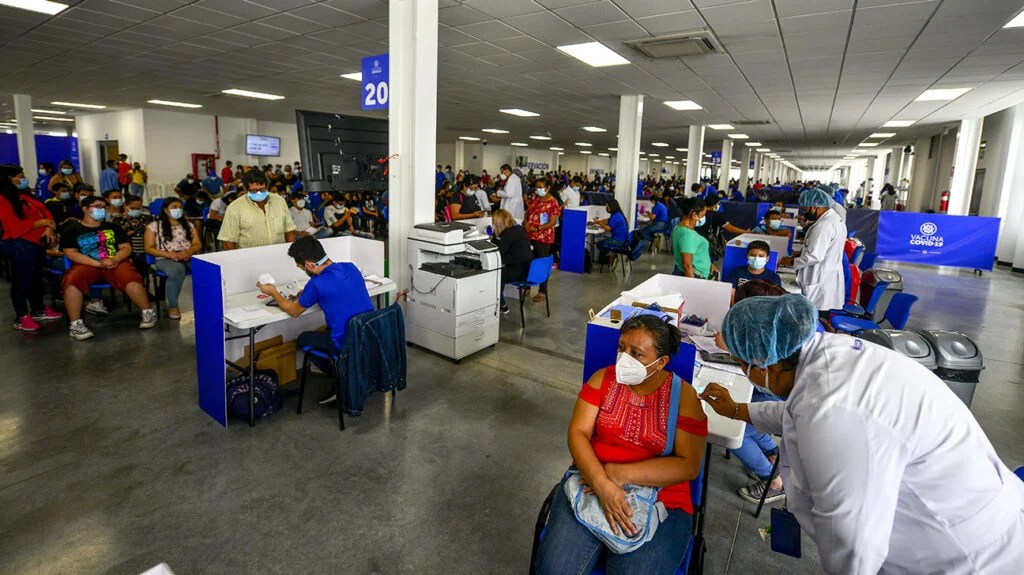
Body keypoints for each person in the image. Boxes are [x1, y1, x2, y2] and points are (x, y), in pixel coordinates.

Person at [700, 294, 1024, 573]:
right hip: (959, 515)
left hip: (962, 556)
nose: (745, 373)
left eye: (741, 364)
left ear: (762, 366)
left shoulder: (835, 407)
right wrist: (738, 410)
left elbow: (854, 543)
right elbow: (798, 411)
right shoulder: (828, 354)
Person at [535, 315, 707, 574]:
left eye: (637, 354)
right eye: (621, 348)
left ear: (661, 363)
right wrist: (603, 484)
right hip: (591, 480)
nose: (624, 359)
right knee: (554, 570)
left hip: (661, 497)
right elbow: (578, 433)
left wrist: (620, 474)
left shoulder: (683, 397)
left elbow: (689, 465)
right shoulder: (602, 379)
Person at [257, 235, 374, 404]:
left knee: (303, 339)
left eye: (301, 267)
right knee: (326, 329)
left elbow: (294, 311)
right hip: (368, 336)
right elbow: (338, 288)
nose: (301, 269)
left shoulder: (317, 284)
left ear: (310, 265)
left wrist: (274, 293)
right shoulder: (351, 267)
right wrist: (308, 293)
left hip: (345, 343)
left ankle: (340, 372)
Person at [60, 196, 156, 340]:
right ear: (85, 209)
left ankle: (147, 312)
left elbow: (126, 247)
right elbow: (70, 253)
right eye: (97, 206)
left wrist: (115, 258)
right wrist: (96, 263)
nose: (102, 209)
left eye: (104, 207)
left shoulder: (113, 227)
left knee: (130, 277)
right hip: (86, 264)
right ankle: (76, 325)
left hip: (114, 262)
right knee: (72, 282)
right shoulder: (71, 229)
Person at [0, 164, 63, 331]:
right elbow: (14, 226)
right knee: (23, 280)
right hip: (19, 243)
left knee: (36, 278)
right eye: (20, 176)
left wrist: (49, 227)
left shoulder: (24, 195)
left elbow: (46, 212)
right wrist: (42, 223)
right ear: (9, 179)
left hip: (37, 242)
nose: (23, 178)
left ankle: (38, 309)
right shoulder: (3, 198)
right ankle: (21, 316)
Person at [779, 188, 845, 313]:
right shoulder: (835, 219)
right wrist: (802, 252)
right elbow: (825, 249)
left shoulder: (824, 225)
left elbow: (815, 256)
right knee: (820, 314)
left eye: (805, 209)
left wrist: (791, 262)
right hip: (826, 275)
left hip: (819, 278)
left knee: (815, 316)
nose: (804, 213)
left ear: (815, 207)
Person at [144, 197, 200, 320]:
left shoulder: (188, 225)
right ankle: (173, 306)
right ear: (165, 210)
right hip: (165, 258)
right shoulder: (153, 226)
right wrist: (170, 255)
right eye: (174, 207)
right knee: (176, 271)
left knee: (205, 270)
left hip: (187, 255)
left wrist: (188, 251)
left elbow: (197, 244)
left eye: (180, 207)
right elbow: (149, 248)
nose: (178, 210)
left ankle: (205, 303)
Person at [218, 171, 296, 250]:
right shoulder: (234, 208)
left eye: (262, 190)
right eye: (254, 191)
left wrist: (291, 254)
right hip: (249, 258)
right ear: (245, 189)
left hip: (279, 254)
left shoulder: (279, 201)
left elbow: (289, 230)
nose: (259, 193)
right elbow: (228, 242)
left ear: (267, 186)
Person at [524, 177, 560, 302]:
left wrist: (538, 228)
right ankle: (527, 286)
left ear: (548, 188)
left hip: (543, 238)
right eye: (537, 187)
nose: (538, 190)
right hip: (529, 235)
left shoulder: (553, 203)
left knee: (541, 264)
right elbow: (528, 212)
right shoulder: (535, 198)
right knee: (528, 261)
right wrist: (526, 222)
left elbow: (552, 222)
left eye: (541, 187)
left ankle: (542, 291)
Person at [490, 208, 532, 315]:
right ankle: (500, 303)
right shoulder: (518, 229)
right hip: (526, 268)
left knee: (495, 275)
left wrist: (493, 238)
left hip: (519, 271)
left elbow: (499, 252)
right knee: (500, 273)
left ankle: (501, 305)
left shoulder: (508, 234)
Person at [672, 197, 714, 279]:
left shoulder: (679, 227)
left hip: (686, 271)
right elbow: (687, 265)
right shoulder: (688, 235)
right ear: (694, 215)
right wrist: (693, 285)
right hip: (694, 275)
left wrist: (709, 265)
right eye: (703, 215)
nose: (703, 218)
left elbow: (695, 253)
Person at [112, 195, 154, 272]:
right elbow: (114, 238)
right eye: (133, 208)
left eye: (138, 208)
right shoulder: (117, 220)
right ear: (125, 206)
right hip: (126, 251)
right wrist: (126, 235)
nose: (136, 210)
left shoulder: (147, 219)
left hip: (145, 250)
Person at [593, 199, 629, 264]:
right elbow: (607, 220)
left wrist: (599, 223)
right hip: (622, 240)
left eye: (608, 207)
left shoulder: (616, 216)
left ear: (612, 206)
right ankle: (611, 255)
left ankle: (611, 255)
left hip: (619, 241)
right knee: (603, 242)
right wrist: (598, 222)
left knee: (600, 244)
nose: (607, 208)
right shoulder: (617, 214)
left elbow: (607, 229)